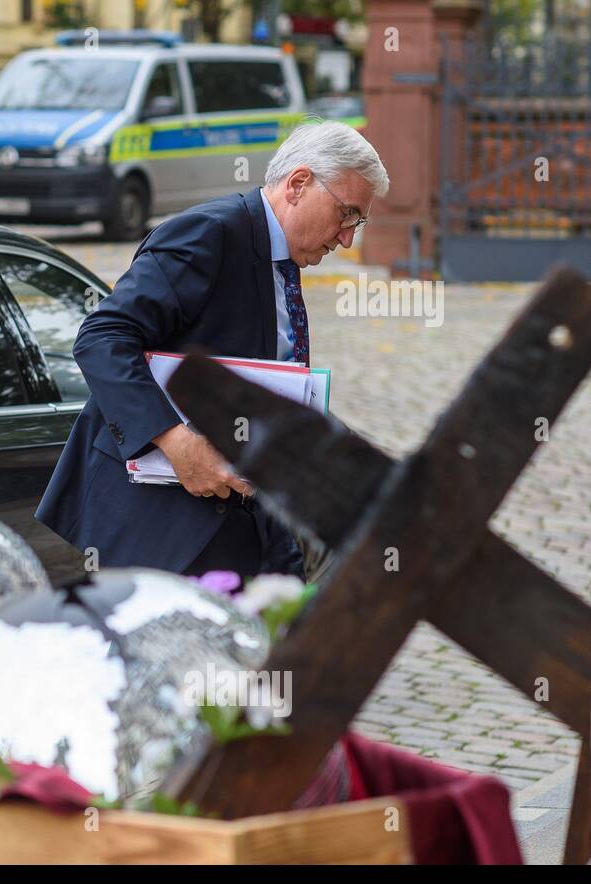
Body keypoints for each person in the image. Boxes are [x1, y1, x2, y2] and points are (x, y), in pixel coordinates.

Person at [35, 120, 390, 578]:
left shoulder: (281, 257)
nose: (347, 238)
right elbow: (103, 338)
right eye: (346, 214)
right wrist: (175, 440)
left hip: (248, 518)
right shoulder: (208, 234)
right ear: (299, 183)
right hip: (159, 529)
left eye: (357, 222)